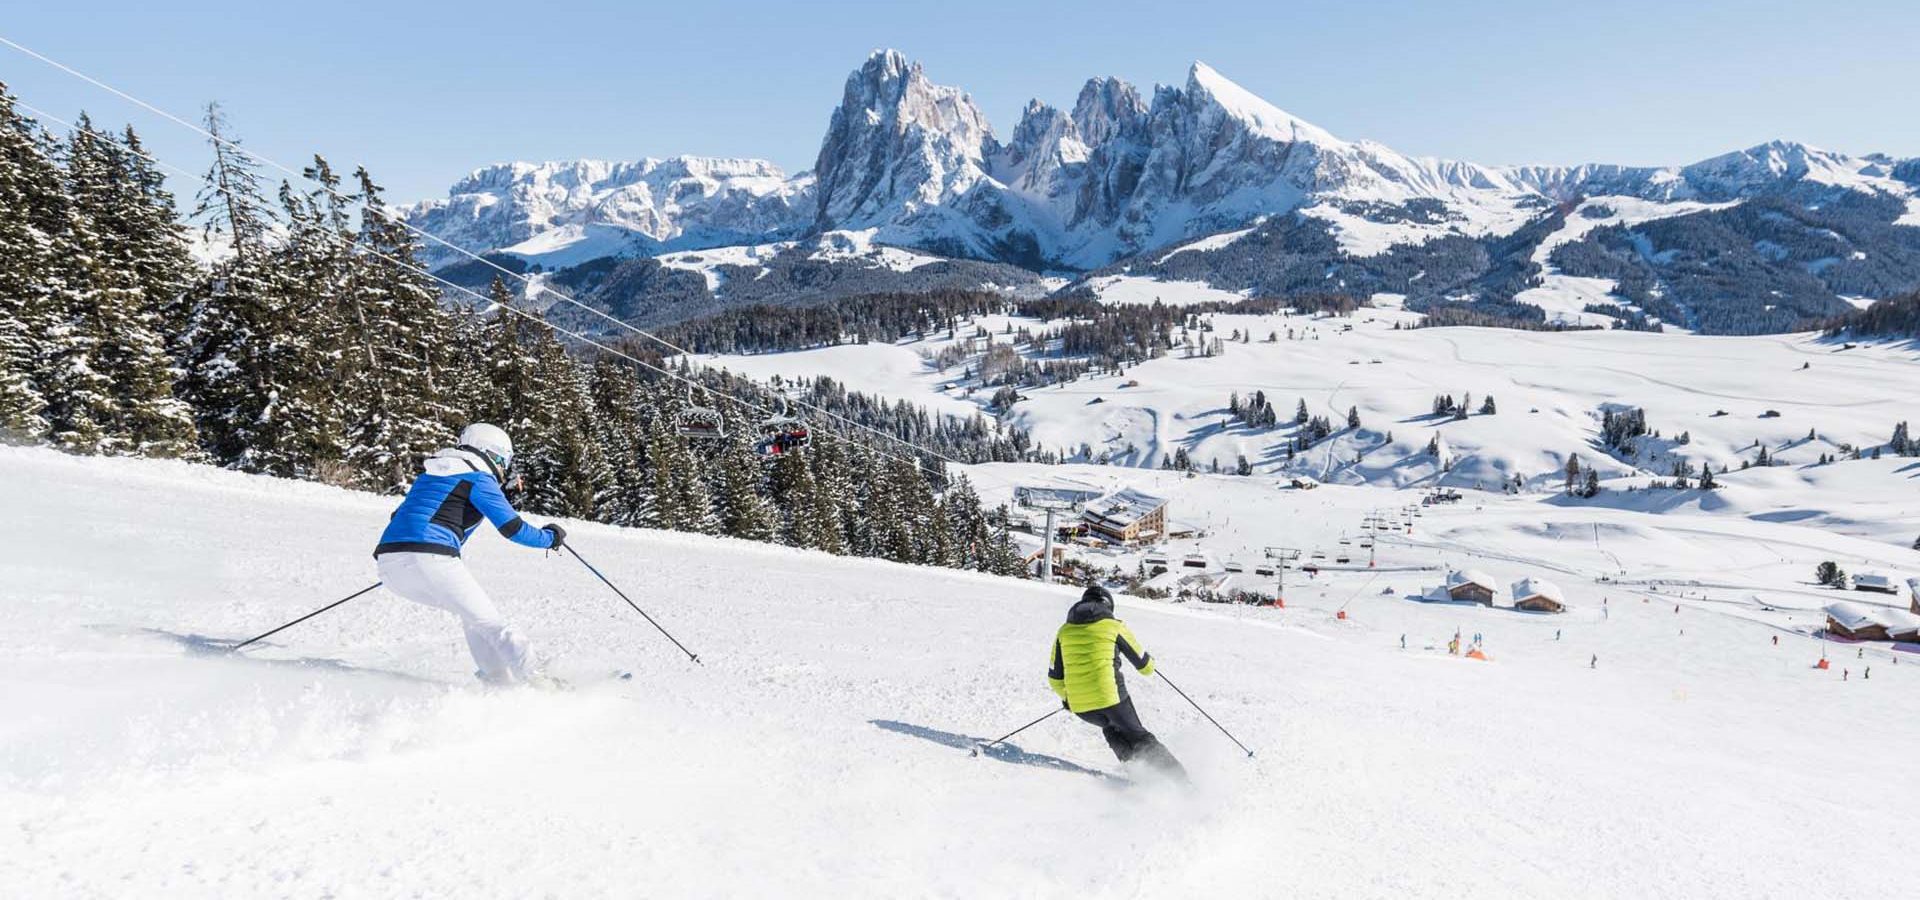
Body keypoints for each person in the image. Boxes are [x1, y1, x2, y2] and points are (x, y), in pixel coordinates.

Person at [374, 423, 565, 687]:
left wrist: (408, 560)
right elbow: (513, 528)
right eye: (502, 460)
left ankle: (499, 681)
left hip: (390, 565)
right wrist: (551, 538)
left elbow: (400, 516)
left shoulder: (431, 474)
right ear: (490, 453)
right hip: (430, 559)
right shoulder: (478, 477)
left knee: (474, 618)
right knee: (493, 624)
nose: (502, 468)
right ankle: (542, 682)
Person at [1047, 585, 1185, 778]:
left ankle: (1141, 776)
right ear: (1108, 606)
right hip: (1111, 698)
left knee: (1110, 729)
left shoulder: (1064, 631)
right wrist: (1150, 661)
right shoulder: (1114, 626)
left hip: (1081, 708)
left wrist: (1067, 699)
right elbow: (1145, 667)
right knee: (1139, 737)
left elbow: (1054, 678)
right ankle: (1182, 783)